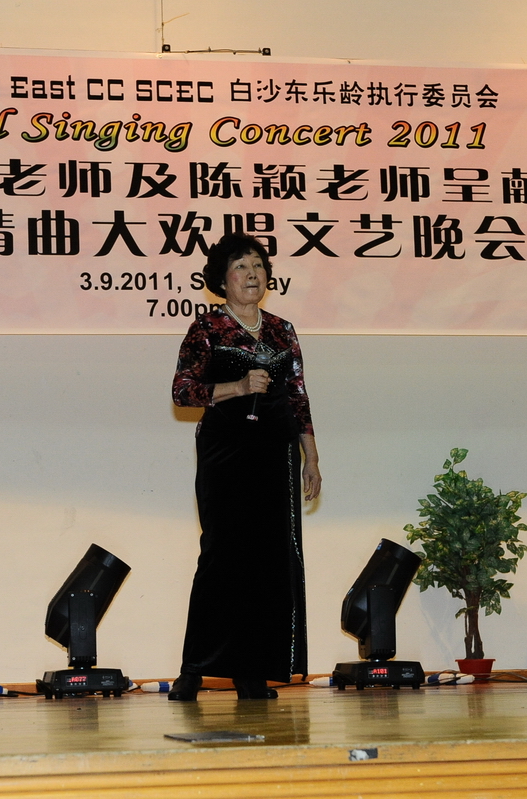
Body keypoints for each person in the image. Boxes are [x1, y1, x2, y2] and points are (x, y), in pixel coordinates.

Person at [168, 232, 321, 701]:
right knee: (221, 556)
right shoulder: (208, 328)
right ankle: (194, 669)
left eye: (257, 265)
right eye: (240, 266)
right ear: (222, 279)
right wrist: (236, 387)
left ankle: (253, 670)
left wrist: (311, 456)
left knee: (270, 560)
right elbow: (182, 391)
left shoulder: (282, 330)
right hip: (226, 453)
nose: (252, 274)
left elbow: (297, 396)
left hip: (276, 454)